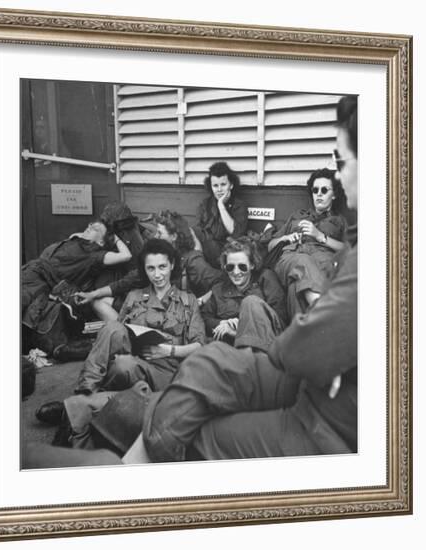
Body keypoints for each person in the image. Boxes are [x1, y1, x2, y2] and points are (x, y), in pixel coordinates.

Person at [141, 95, 358, 463]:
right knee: (207, 362)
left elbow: (297, 349)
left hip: (328, 418)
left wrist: (300, 339)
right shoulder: (344, 234)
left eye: (341, 162)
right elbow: (260, 253)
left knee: (201, 423)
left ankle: (139, 453)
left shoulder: (359, 242)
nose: (336, 176)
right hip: (303, 369)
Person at [74, 238, 206, 395]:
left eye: (162, 267)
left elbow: (199, 345)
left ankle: (94, 398)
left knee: (122, 367)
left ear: (172, 265)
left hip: (166, 370)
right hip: (133, 360)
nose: (157, 275)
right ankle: (86, 389)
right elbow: (117, 337)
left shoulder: (188, 301)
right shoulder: (134, 296)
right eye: (151, 268)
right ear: (144, 269)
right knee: (113, 332)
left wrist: (169, 351)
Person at [75, 210, 224, 319]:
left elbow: (221, 283)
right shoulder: (154, 255)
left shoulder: (192, 261)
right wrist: (92, 294)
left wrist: (199, 302)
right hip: (151, 307)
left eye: (160, 233)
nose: (155, 236)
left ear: (174, 236)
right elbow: (126, 282)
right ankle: (125, 336)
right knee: (99, 302)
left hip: (175, 317)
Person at [21, 220, 132, 353]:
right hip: (31, 272)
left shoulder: (94, 254)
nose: (90, 227)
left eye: (95, 229)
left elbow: (126, 256)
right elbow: (80, 234)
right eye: (90, 225)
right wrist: (92, 232)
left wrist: (115, 238)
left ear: (101, 242)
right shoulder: (76, 239)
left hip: (39, 280)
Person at [266, 167, 348, 318]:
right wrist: (284, 238)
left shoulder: (339, 221)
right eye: (315, 190)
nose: (319, 194)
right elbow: (270, 246)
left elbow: (349, 250)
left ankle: (302, 335)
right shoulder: (298, 215)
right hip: (291, 258)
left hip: (322, 264)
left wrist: (320, 236)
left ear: (334, 194)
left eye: (324, 190)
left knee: (296, 287)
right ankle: (323, 311)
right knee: (302, 262)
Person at [201, 237, 285, 349]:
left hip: (268, 344)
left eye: (242, 266)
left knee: (250, 301)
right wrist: (224, 323)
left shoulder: (266, 278)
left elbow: (280, 318)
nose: (236, 272)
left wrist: (241, 325)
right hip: (232, 346)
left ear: (252, 265)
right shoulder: (219, 289)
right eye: (230, 267)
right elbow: (205, 318)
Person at [193, 161, 249, 268]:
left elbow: (236, 232)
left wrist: (221, 206)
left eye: (223, 185)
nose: (219, 190)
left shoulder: (239, 205)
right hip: (205, 250)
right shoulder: (205, 204)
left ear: (231, 185)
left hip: (227, 251)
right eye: (215, 185)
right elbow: (198, 231)